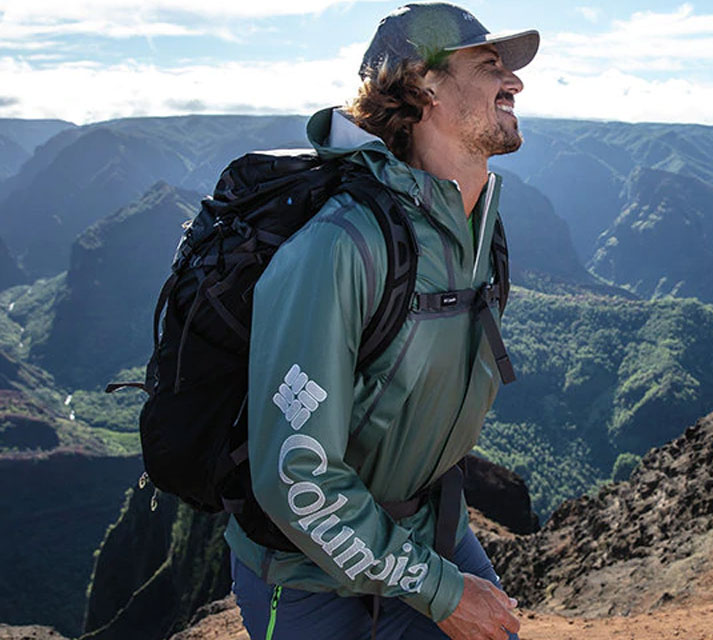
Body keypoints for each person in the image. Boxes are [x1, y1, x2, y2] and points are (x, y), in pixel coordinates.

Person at [224, 3, 539, 639]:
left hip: (427, 527)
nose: (515, 81)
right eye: (488, 65)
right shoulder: (341, 246)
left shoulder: (477, 229)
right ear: (423, 86)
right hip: (308, 571)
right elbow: (295, 474)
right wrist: (442, 591)